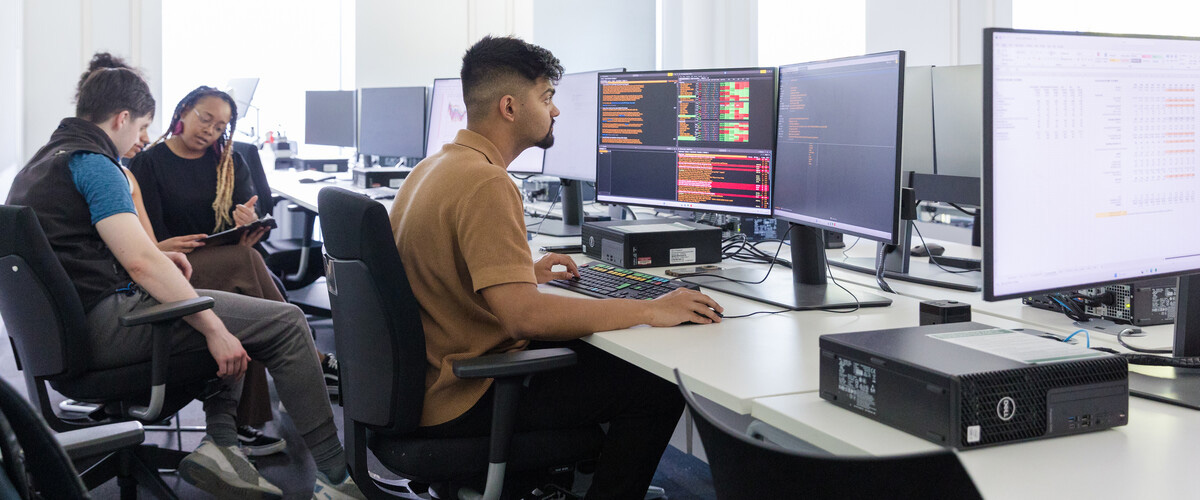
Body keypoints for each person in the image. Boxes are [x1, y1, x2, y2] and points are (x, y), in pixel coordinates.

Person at [389, 36, 723, 499]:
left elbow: (446, 273)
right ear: (510, 107)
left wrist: (523, 271)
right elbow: (525, 318)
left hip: (428, 384)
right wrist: (649, 309)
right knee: (655, 382)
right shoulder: (486, 182)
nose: (556, 111)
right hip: (465, 394)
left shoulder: (432, 169)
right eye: (546, 98)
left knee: (601, 357)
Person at [8, 67, 364, 499]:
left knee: (228, 307)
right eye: (140, 127)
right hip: (104, 329)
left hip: (64, 341)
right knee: (285, 322)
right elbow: (139, 263)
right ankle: (335, 478)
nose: (140, 137)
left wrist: (163, 259)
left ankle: (222, 446)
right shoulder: (96, 165)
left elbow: (94, 252)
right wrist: (211, 327)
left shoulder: (36, 167)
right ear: (122, 119)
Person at [74, 55, 289, 457]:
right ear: (183, 113)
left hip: (223, 259)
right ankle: (283, 383)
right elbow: (142, 244)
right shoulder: (142, 164)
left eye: (221, 126)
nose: (211, 130)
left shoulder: (229, 163)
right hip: (171, 269)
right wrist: (165, 249)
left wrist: (248, 224)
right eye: (205, 119)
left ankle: (246, 416)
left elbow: (243, 226)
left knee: (252, 273)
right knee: (256, 285)